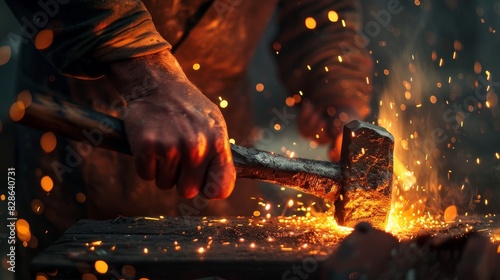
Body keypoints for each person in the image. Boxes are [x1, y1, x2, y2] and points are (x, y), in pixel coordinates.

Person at [6, 0, 372, 278]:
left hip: (218, 124)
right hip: (81, 127)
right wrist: (147, 74)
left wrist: (337, 84)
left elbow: (321, 8)